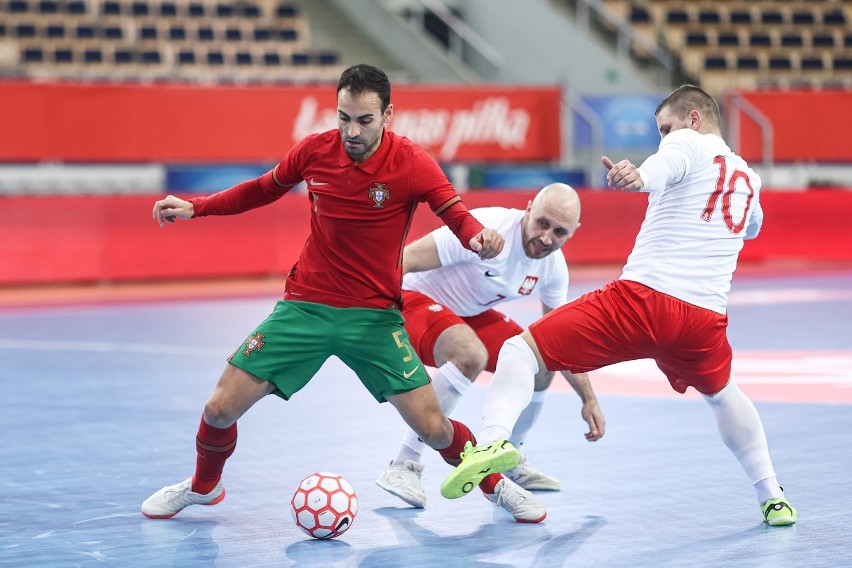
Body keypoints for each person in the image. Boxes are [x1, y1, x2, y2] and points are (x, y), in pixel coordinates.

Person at [140, 63, 540, 522]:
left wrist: (478, 239)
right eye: (343, 117)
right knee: (218, 409)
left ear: (388, 115)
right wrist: (198, 207)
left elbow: (459, 216)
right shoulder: (314, 151)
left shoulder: (413, 164)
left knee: (433, 427)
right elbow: (261, 190)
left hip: (374, 318)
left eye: (363, 120)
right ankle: (203, 487)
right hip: (305, 307)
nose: (351, 130)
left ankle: (496, 487)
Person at [440, 85, 797, 527]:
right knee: (723, 395)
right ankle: (772, 496)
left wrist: (638, 176)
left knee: (520, 350)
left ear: (694, 120)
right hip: (703, 322)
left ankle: (493, 441)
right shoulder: (748, 178)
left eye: (665, 128)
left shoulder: (685, 143)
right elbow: (753, 226)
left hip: (643, 302)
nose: (663, 137)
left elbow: (662, 166)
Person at [376, 183, 605, 514]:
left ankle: (510, 457)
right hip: (408, 302)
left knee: (539, 363)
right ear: (528, 209)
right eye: (542, 223)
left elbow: (561, 340)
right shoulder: (488, 228)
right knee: (470, 354)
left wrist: (589, 398)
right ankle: (403, 463)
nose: (546, 238)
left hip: (466, 313)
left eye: (559, 232)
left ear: (572, 233)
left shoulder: (553, 268)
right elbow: (405, 259)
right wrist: (368, 310)